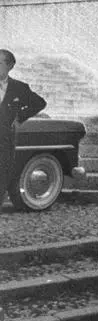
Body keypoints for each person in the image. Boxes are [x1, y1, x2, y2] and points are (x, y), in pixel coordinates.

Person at [0, 49, 47, 205]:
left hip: (5, 138)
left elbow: (39, 103)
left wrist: (20, 117)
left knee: (3, 171)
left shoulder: (19, 87)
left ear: (10, 66)